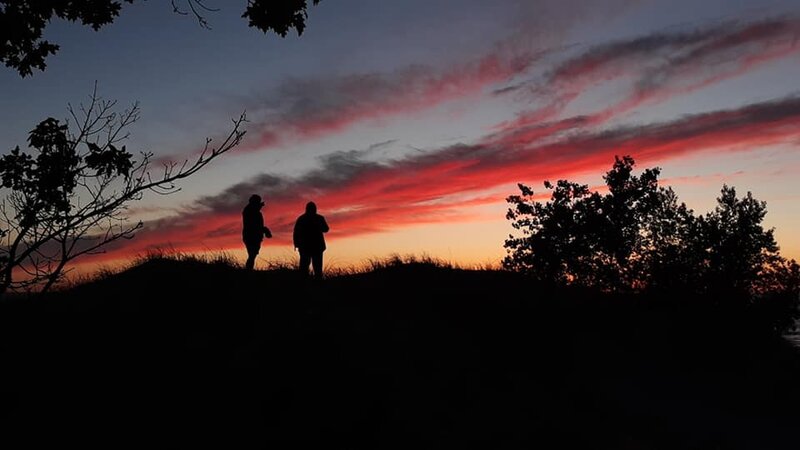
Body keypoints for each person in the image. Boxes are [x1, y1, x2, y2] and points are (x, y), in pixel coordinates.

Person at [293, 201, 329, 280]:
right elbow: (326, 229)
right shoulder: (318, 218)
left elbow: (296, 233)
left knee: (309, 268)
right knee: (311, 268)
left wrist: (296, 244)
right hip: (312, 247)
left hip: (311, 247)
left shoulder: (302, 219)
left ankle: (308, 284)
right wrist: (296, 244)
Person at [242, 194, 272, 270]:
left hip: (254, 236)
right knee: (252, 255)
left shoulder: (252, 210)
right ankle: (248, 271)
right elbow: (254, 225)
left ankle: (249, 270)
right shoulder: (250, 211)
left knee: (252, 255)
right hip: (251, 236)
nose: (260, 205)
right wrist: (265, 230)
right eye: (258, 202)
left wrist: (264, 230)